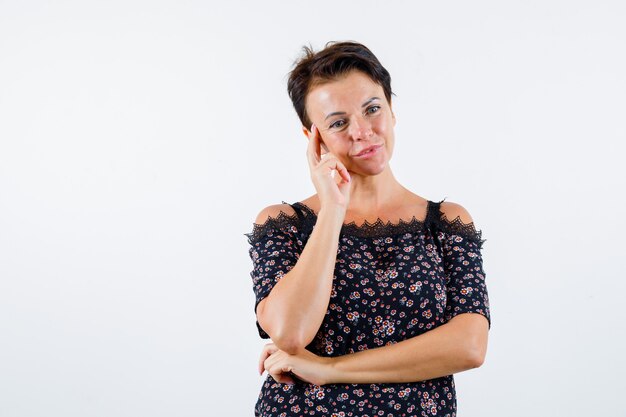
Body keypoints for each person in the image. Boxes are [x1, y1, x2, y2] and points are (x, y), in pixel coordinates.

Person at [244, 41, 491, 417]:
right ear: (314, 137)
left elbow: (469, 347)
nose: (362, 131)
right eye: (338, 122)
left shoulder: (446, 224)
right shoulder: (285, 225)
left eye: (372, 109)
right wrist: (332, 209)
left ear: (392, 110)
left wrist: (329, 369)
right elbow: (291, 332)